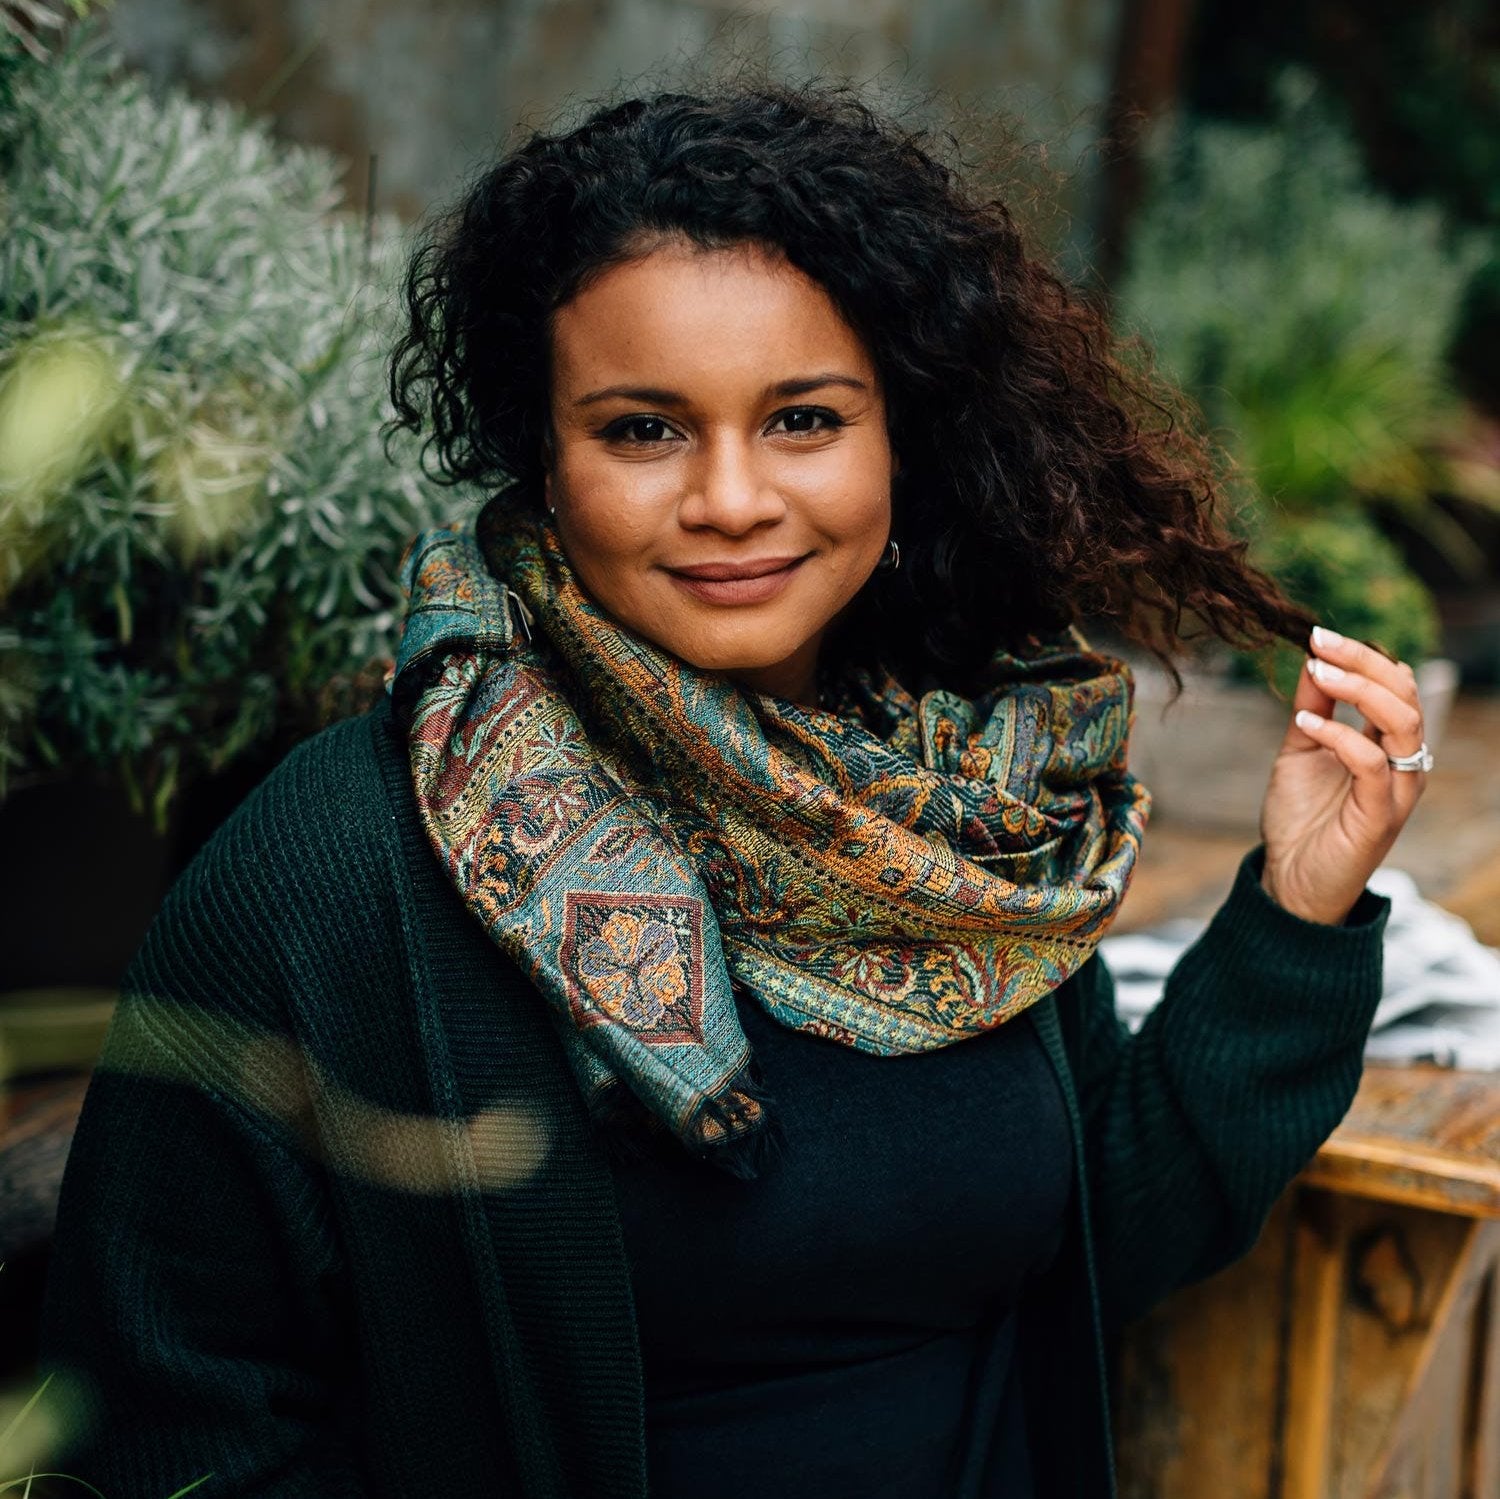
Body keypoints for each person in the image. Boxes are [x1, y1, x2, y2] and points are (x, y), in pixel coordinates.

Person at [39, 81, 1428, 1499]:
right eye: (643, 430)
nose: (730, 498)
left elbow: (1084, 1252)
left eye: (804, 420)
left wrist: (1296, 915)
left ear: (904, 437)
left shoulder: (964, 815)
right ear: (547, 458)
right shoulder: (340, 872)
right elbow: (169, 1422)